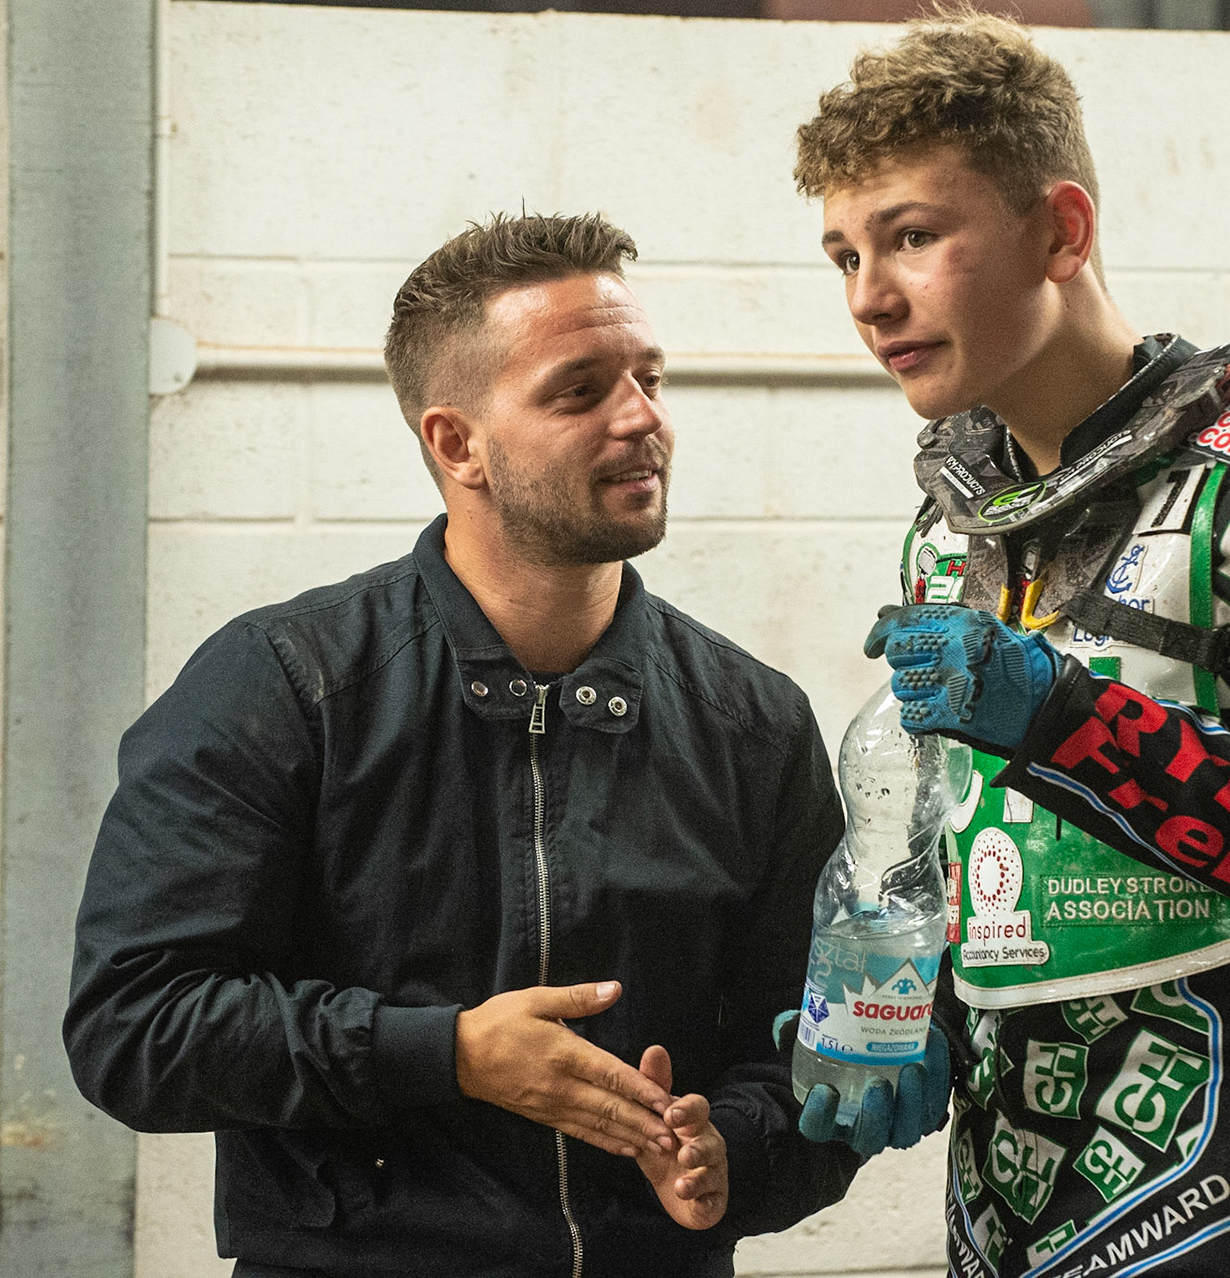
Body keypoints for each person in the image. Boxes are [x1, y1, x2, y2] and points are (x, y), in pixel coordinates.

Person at [788, 14, 1230, 1276]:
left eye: (912, 237)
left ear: (1063, 229)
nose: (868, 297)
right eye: (843, 255)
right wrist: (907, 1006)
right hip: (1008, 1217)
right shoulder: (953, 528)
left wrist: (1071, 724)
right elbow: (982, 848)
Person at [64, 212, 863, 1278]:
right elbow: (133, 1028)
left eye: (650, 379)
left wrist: (742, 1153)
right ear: (456, 443)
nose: (642, 420)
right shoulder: (286, 686)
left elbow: (813, 1043)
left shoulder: (750, 720)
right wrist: (449, 1055)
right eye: (580, 390)